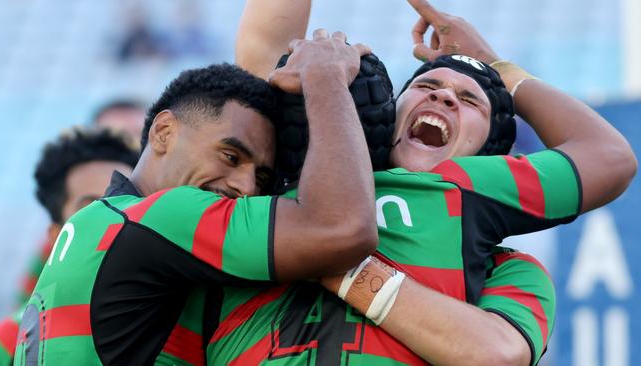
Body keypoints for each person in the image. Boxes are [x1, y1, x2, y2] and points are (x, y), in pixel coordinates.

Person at [202, 1, 637, 365]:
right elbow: (268, 52)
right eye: (427, 85)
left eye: (470, 101)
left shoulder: (507, 269)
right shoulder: (302, 168)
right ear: (390, 113)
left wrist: (335, 254)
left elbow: (495, 354)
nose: (444, 96)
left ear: (489, 156)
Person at [14, 34, 379, 365]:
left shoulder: (95, 222)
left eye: (261, 177)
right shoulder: (162, 217)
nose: (246, 187)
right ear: (164, 131)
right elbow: (342, 228)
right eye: (230, 157)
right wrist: (326, 78)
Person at [0, 127, 138, 366]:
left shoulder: (190, 309)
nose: (115, 219)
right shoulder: (12, 339)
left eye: (129, 202)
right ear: (57, 235)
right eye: (91, 208)